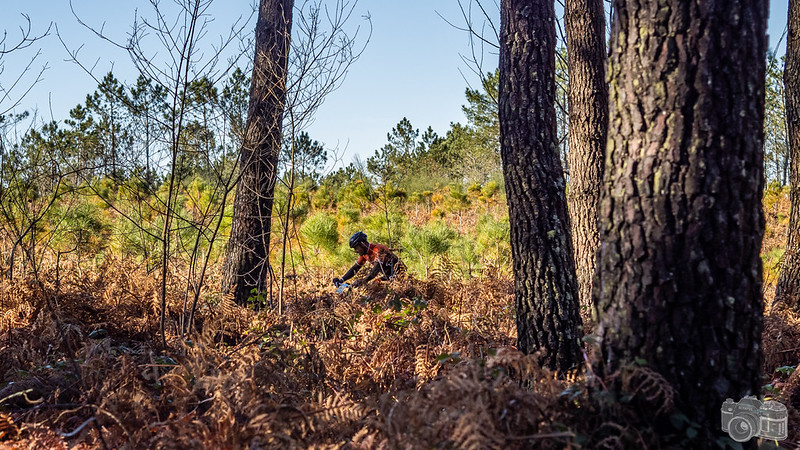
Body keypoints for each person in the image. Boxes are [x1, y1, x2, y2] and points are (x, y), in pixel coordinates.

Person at [333, 231, 402, 288]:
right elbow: (355, 268)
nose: (356, 251)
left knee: (375, 285)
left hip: (398, 276)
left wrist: (363, 281)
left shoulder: (377, 249)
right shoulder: (364, 253)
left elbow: (375, 271)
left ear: (362, 244)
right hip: (388, 275)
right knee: (373, 285)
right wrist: (341, 280)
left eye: (356, 248)